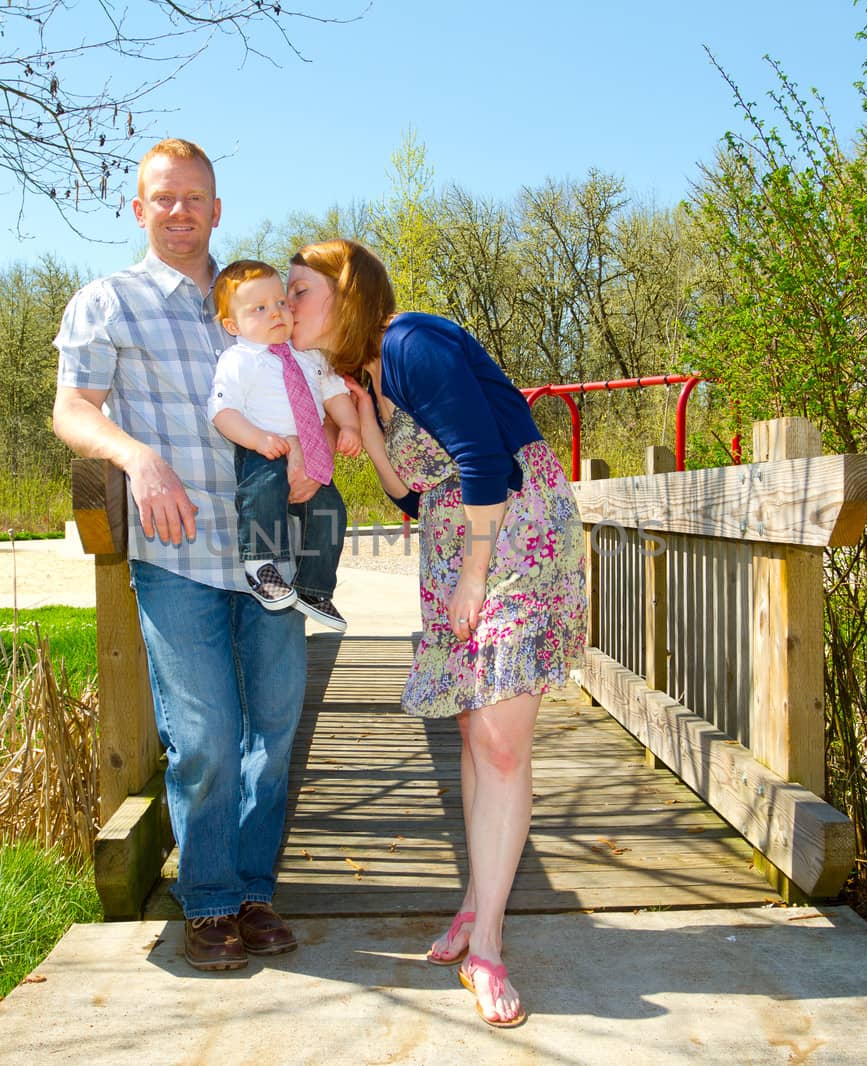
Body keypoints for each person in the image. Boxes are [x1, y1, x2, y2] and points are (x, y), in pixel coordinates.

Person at [286, 239, 587, 1028]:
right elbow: (408, 496)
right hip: (455, 537)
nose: (287, 306)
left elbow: (487, 461)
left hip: (515, 533)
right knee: (472, 729)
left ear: (347, 294)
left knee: (501, 742)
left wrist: (476, 575)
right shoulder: (369, 376)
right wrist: (358, 419)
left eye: (300, 291)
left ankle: (487, 941)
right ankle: (473, 908)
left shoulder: (412, 342)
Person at [51, 139, 313, 972]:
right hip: (181, 553)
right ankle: (206, 901)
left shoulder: (256, 299)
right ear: (139, 208)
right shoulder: (109, 302)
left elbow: (312, 378)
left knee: (272, 730)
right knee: (205, 733)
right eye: (163, 198)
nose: (179, 211)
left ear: (217, 208)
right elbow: (72, 409)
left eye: (194, 197)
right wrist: (137, 458)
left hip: (271, 549)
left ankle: (252, 890)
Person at [208, 259, 360, 631]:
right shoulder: (238, 359)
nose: (276, 312)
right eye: (259, 309)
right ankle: (260, 564)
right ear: (233, 325)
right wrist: (259, 439)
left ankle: (314, 587)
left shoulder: (309, 355)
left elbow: (335, 393)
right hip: (265, 450)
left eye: (279, 302)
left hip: (310, 457)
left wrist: (350, 425)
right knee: (263, 493)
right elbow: (222, 411)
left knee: (330, 512)